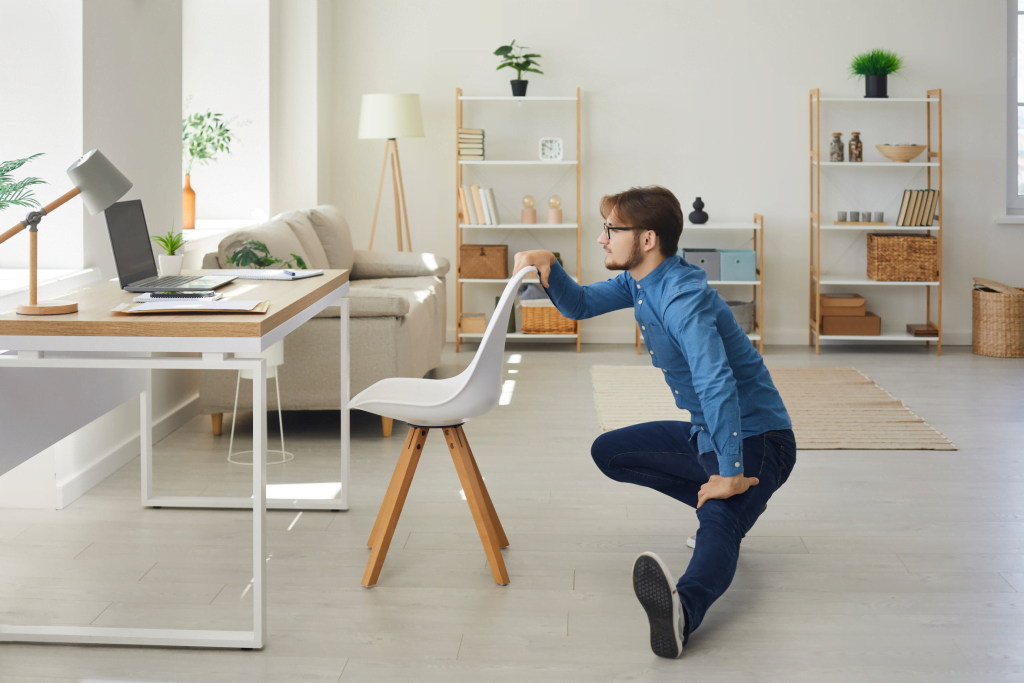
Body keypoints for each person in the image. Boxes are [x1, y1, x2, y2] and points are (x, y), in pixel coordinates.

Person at [512, 186, 796, 659]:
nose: (602, 239)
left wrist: (728, 475)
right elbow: (579, 305)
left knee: (720, 520)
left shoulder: (683, 298)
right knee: (610, 452)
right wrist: (549, 267)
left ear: (646, 240)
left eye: (612, 229)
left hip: (758, 437)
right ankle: (724, 508)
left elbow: (717, 384)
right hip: (709, 432)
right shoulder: (640, 282)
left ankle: (685, 608)